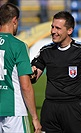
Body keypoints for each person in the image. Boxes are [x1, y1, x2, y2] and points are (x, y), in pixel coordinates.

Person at [31, 11, 81, 133]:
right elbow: (34, 78)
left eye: (58, 28)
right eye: (52, 27)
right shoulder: (46, 51)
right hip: (50, 108)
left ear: (69, 30)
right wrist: (32, 73)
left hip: (73, 107)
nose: (53, 31)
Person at [0, 3, 41, 133]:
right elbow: (25, 86)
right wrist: (34, 117)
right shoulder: (18, 46)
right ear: (15, 20)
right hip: (14, 110)